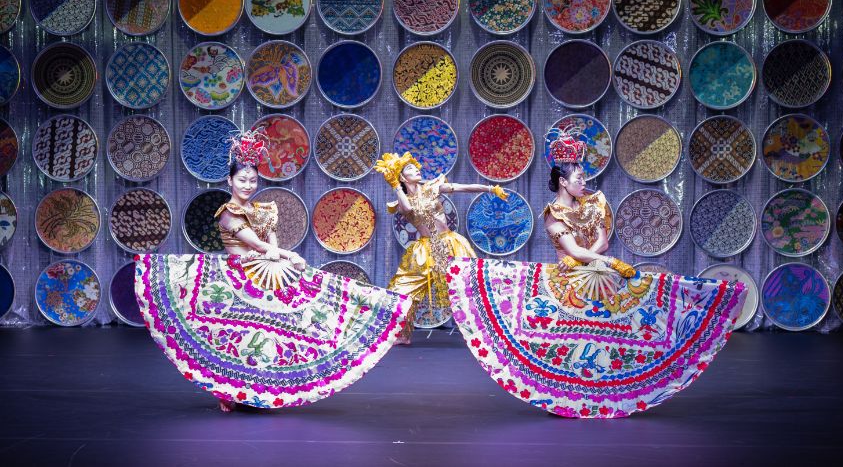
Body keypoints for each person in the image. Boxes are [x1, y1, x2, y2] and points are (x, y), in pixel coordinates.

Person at [446, 132, 747, 418]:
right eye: (578, 178)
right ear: (563, 182)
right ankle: (564, 399)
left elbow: (601, 242)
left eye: (584, 177)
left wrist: (591, 260)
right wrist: (600, 261)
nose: (584, 182)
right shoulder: (553, 214)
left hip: (600, 276)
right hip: (569, 284)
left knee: (613, 338)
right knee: (566, 345)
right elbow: (573, 249)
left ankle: (608, 398)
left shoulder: (593, 203)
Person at [135, 129, 412, 412]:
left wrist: (285, 261)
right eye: (241, 180)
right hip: (237, 279)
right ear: (230, 181)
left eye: (252, 180)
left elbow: (272, 246)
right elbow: (256, 245)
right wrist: (289, 255)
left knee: (284, 327)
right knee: (233, 339)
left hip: (267, 275)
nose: (247, 185)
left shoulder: (264, 210)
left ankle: (265, 389)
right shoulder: (228, 212)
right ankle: (229, 391)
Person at [375, 152, 507, 344]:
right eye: (410, 168)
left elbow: (462, 187)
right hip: (425, 250)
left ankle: (488, 331)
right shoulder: (401, 202)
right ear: (402, 177)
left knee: (467, 287)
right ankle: (403, 335)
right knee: (402, 290)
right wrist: (395, 185)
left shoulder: (432, 187)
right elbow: (408, 209)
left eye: (416, 167)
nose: (417, 169)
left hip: (449, 244)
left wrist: (490, 188)